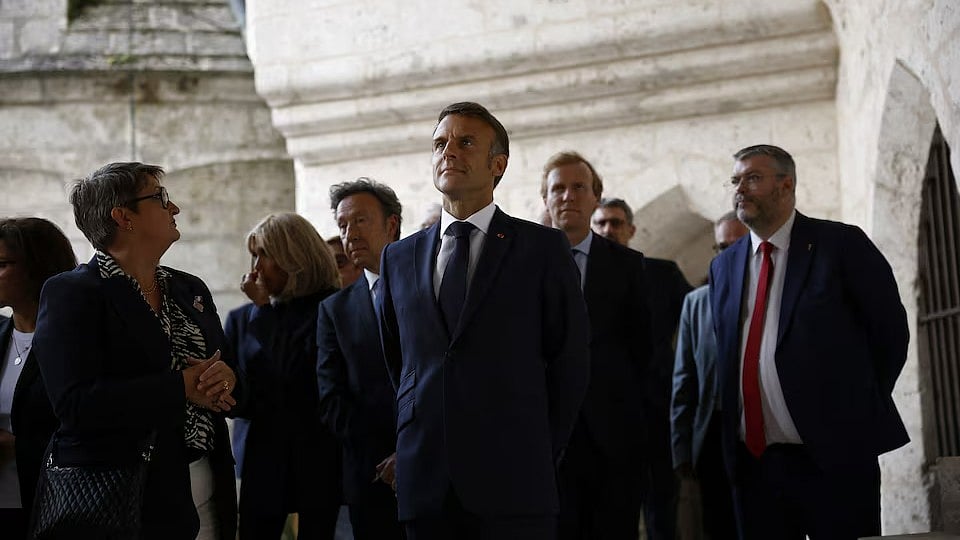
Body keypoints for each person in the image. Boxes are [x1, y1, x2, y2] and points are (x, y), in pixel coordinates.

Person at [378, 102, 590, 540]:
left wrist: (537, 449)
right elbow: (401, 364)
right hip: (426, 483)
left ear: (498, 165)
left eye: (465, 142)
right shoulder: (398, 258)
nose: (448, 152)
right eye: (440, 143)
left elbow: (569, 361)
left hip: (514, 482)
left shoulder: (542, 249)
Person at [710, 144, 909, 538]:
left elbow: (890, 334)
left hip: (833, 457)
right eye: (735, 180)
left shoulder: (841, 245)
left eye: (753, 178)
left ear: (786, 185)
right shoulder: (724, 265)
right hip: (755, 463)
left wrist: (850, 408)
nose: (740, 189)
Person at [33, 162, 239, 539]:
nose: (174, 207)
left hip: (208, 489)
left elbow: (220, 369)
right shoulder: (73, 293)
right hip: (123, 499)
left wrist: (225, 378)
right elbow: (75, 404)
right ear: (123, 216)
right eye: (160, 198)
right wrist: (180, 387)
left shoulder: (189, 289)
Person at [541, 151, 653, 540]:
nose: (568, 196)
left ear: (595, 198)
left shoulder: (628, 266)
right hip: (544, 443)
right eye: (558, 188)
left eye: (578, 187)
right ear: (546, 199)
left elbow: (646, 358)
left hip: (615, 442)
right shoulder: (522, 266)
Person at [225, 212, 342, 539]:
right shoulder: (243, 317)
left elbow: (294, 370)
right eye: (253, 255)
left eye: (264, 254)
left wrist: (263, 311)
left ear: (294, 257)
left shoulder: (330, 308)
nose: (256, 267)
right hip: (263, 452)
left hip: (316, 454)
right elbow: (239, 384)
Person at [591, 197, 692, 540]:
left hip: (656, 405)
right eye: (601, 223)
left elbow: (697, 328)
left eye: (616, 223)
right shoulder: (576, 274)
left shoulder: (662, 273)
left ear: (631, 229)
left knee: (662, 501)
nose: (608, 230)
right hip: (602, 409)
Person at [317, 178, 405, 539]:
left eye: (360, 221)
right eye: (342, 224)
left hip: (436, 466)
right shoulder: (334, 309)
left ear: (392, 224)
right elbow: (332, 398)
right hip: (371, 477)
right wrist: (385, 458)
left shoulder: (431, 288)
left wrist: (411, 453)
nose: (349, 233)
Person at [670, 211, 747, 540]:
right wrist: (682, 448)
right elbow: (684, 379)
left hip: (759, 431)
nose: (727, 254)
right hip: (712, 432)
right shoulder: (696, 303)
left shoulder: (770, 295)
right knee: (718, 524)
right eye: (721, 247)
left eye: (736, 245)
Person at [0, 218, 76, 537]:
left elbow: (94, 428)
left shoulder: (74, 342)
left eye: (2, 264)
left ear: (38, 267)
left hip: (55, 509)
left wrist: (15, 447)